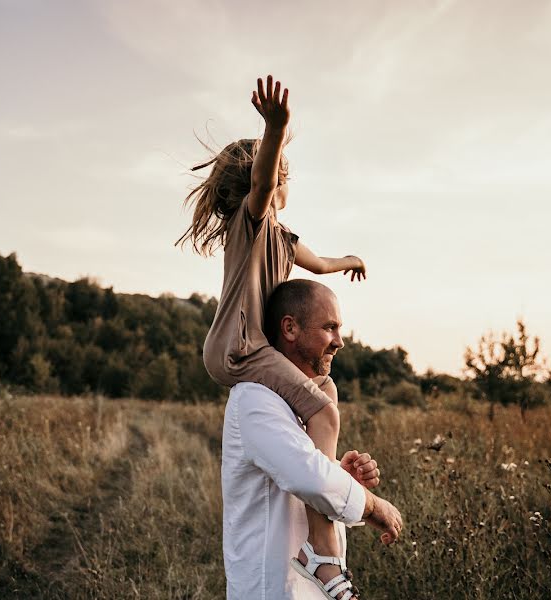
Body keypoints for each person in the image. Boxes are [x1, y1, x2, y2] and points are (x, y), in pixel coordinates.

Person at [176, 75, 369, 592]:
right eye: (283, 170)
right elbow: (260, 186)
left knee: (324, 394)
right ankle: (320, 553)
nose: (286, 179)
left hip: (255, 349)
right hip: (238, 349)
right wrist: (276, 128)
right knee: (325, 409)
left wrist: (347, 260)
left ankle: (323, 511)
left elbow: (321, 263)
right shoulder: (252, 223)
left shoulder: (285, 237)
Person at [222, 279, 403, 599]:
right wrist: (374, 506)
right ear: (290, 329)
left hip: (312, 588)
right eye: (330, 327)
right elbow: (312, 480)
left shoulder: (305, 400)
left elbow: (304, 474)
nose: (340, 341)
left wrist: (340, 475)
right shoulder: (256, 398)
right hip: (274, 589)